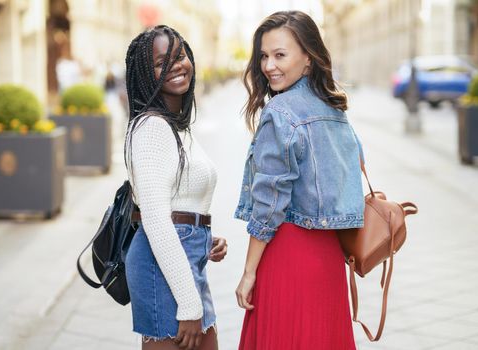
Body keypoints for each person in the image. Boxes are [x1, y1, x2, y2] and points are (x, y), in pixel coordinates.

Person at [234, 11, 364, 349]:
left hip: (287, 255)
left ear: (308, 58)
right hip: (328, 260)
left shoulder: (281, 113)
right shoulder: (335, 111)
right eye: (263, 55)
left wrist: (249, 273)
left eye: (280, 55)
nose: (268, 66)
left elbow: (269, 204)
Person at [123, 25, 227, 350]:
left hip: (183, 259)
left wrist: (203, 234)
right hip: (162, 268)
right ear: (145, 73)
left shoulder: (176, 125)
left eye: (179, 55)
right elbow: (156, 221)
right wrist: (189, 304)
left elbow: (181, 201)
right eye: (160, 63)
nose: (176, 65)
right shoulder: (152, 128)